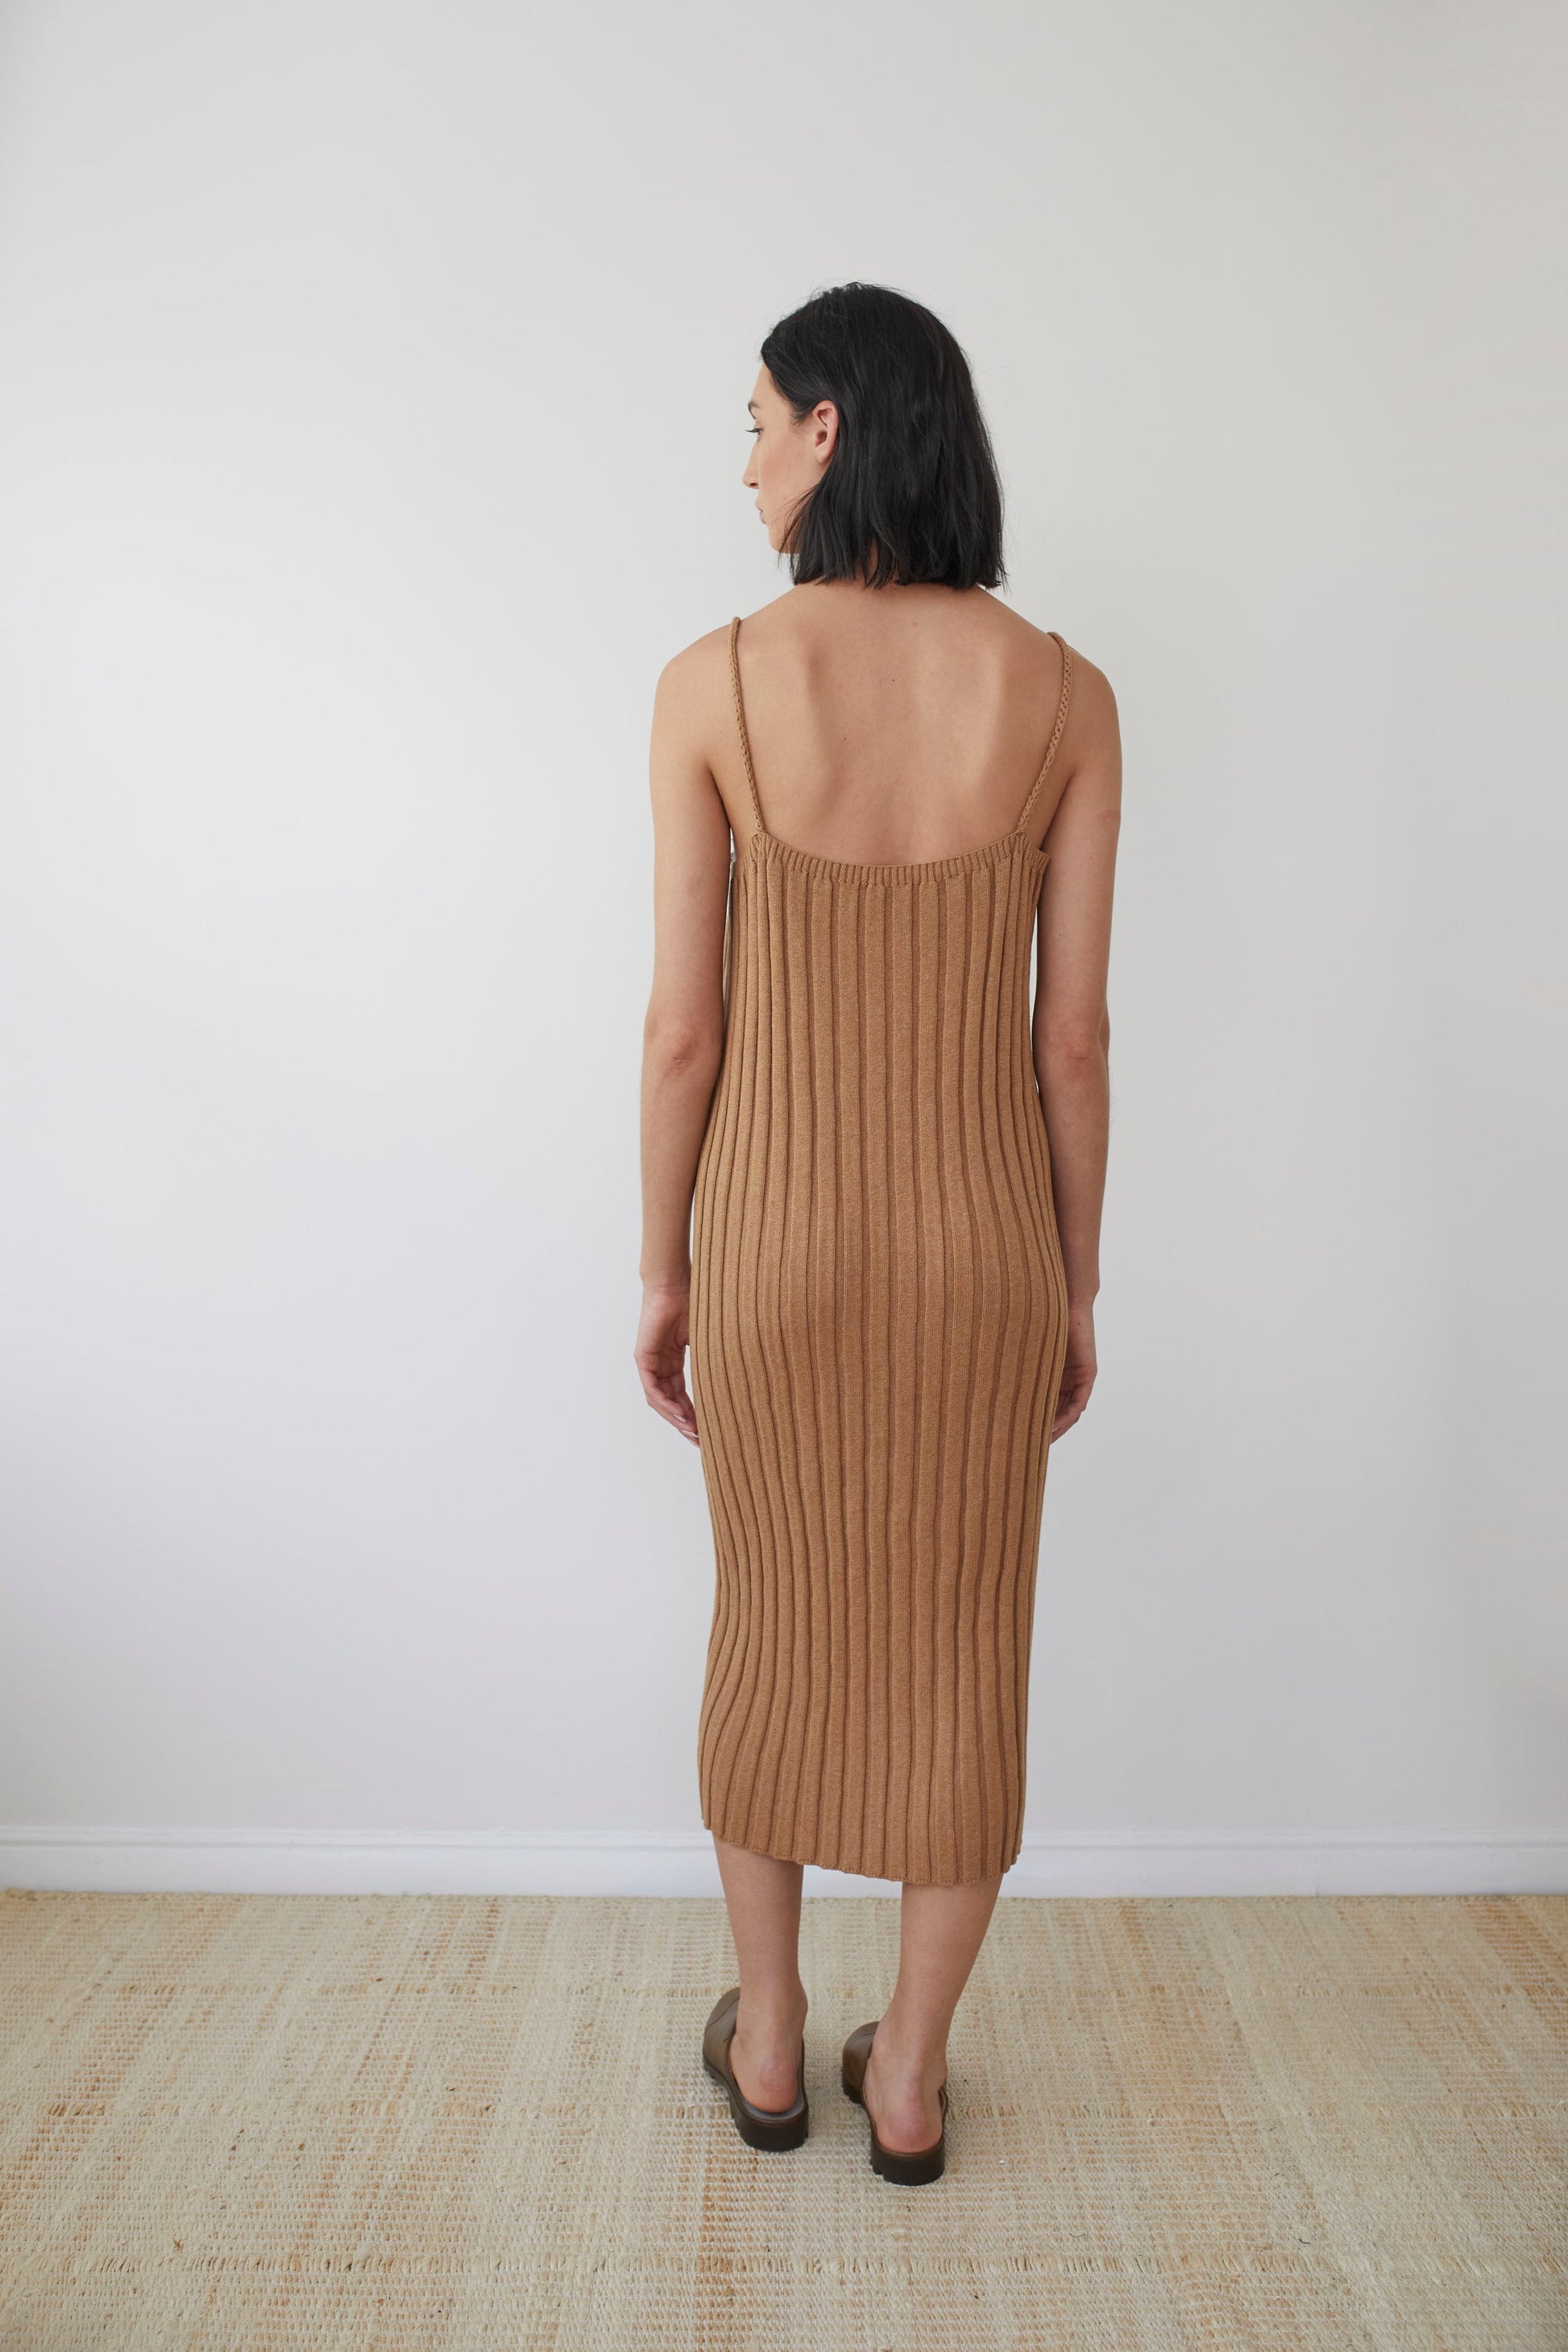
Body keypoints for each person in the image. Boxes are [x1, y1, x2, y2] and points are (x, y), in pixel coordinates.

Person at [636, 282, 1120, 2183]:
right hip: (988, 1246)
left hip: (770, 1237)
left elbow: (686, 1027)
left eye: (757, 421)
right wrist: (1073, 1279)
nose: (747, 460)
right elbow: (1067, 1038)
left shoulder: (713, 681)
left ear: (830, 430)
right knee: (960, 1655)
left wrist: (666, 1267)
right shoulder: (1065, 694)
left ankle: (769, 2043)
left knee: (767, 1629)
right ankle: (904, 2073)